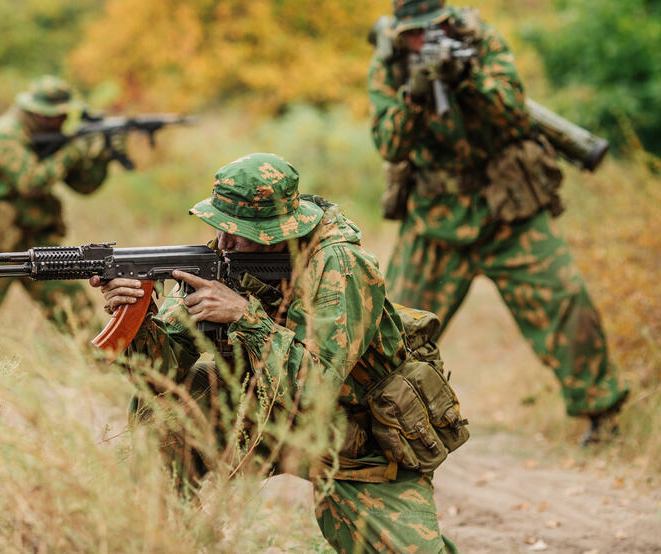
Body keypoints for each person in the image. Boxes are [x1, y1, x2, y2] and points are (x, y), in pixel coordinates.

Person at [92, 153, 462, 553]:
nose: (224, 242)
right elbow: (161, 371)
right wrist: (139, 315)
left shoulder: (341, 265)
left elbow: (316, 388)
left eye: (239, 232)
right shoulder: (225, 258)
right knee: (165, 413)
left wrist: (244, 315)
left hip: (357, 437)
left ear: (277, 232)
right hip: (262, 414)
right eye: (219, 227)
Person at [368, 0, 628, 444]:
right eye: (414, 33)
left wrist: (468, 83)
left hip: (508, 209)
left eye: (434, 29)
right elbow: (389, 142)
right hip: (436, 220)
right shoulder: (390, 62)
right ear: (401, 33)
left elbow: (512, 113)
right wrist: (416, 96)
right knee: (395, 330)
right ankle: (380, 430)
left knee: (568, 302)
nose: (425, 40)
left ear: (447, 20)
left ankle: (603, 416)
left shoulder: (482, 42)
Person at [0, 75, 111, 341]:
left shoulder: (51, 138)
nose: (61, 121)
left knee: (76, 314)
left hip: (40, 239)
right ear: (37, 112)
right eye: (55, 115)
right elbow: (31, 182)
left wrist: (102, 156)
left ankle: (115, 371)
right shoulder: (7, 133)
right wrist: (73, 150)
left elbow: (84, 186)